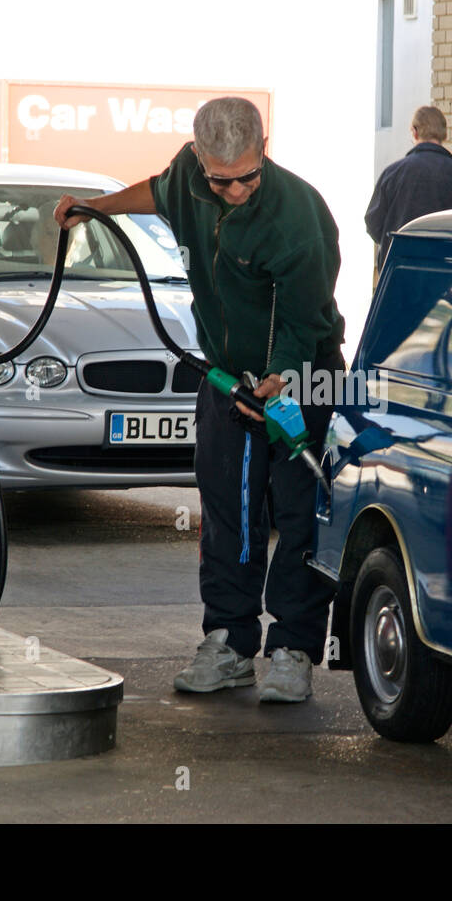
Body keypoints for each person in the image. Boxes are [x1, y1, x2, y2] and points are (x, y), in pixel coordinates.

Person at [55, 97, 344, 703]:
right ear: (200, 160)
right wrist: (94, 209)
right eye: (221, 179)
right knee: (226, 515)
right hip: (224, 379)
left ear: (263, 151)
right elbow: (158, 193)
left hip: (303, 380)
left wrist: (279, 380)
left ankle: (292, 649)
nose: (235, 190)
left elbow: (305, 320)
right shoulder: (189, 177)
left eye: (247, 177)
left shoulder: (297, 215)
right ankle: (230, 644)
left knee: (299, 517)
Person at [364, 105, 452, 275]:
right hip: (447, 280)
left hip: (399, 277)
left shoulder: (392, 174)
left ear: (414, 132)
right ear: (445, 134)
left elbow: (373, 224)